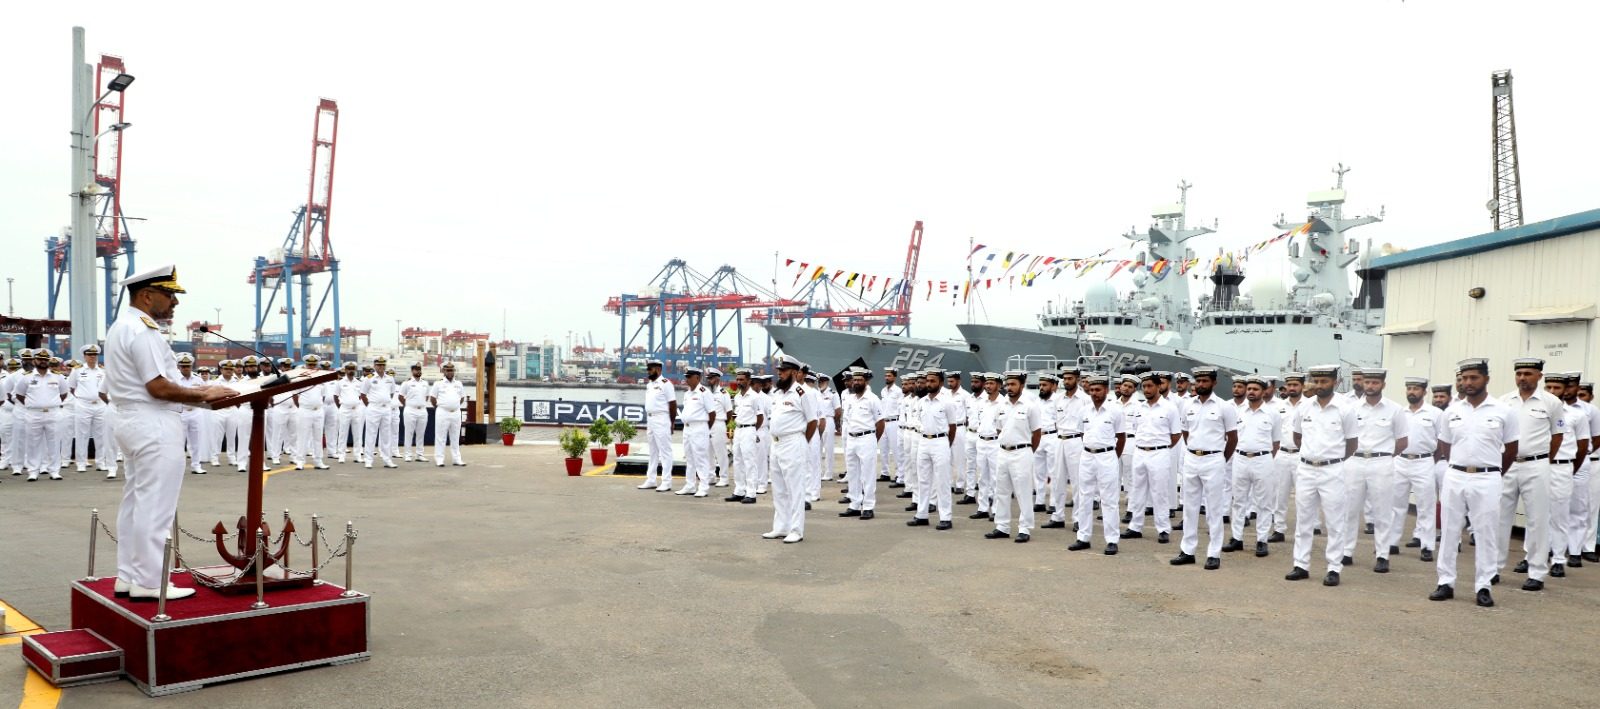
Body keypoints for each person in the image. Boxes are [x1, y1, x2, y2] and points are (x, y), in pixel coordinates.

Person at [105, 265, 236, 601]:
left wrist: (200, 390)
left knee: (135, 501)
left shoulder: (121, 327)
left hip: (132, 421)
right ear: (147, 296)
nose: (175, 303)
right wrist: (203, 395)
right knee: (155, 505)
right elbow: (158, 387)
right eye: (169, 295)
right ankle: (148, 582)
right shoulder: (143, 331)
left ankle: (128, 576)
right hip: (153, 423)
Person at [1430, 358, 1517, 607]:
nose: (1468, 383)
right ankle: (1445, 582)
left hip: (1488, 476)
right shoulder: (1452, 411)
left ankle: (1484, 585)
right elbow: (1445, 445)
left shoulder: (1503, 411)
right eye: (1464, 378)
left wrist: (1493, 473)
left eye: (1474, 378)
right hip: (1455, 474)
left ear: (1486, 379)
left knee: (1486, 532)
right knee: (1449, 531)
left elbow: (1511, 449)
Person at [1285, 364, 1359, 587]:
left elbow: (1352, 444)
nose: (1319, 385)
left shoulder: (1345, 408)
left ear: (1335, 382)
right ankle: (1301, 564)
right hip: (1306, 468)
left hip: (1332, 470)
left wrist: (1331, 460)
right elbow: (1297, 437)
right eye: (1316, 381)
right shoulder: (1304, 407)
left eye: (1324, 381)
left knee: (1335, 521)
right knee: (1304, 519)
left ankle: (1334, 567)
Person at [1498, 357, 1565, 591]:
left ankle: (1536, 571)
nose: (1523, 378)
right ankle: (1493, 568)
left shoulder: (1552, 402)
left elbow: (1558, 435)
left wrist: (1545, 460)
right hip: (1508, 464)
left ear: (1539, 376)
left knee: (1537, 519)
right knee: (1499, 518)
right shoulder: (1503, 401)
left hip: (1536, 465)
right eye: (1519, 373)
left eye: (1528, 373)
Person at [1171, 367, 1239, 570]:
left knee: (1214, 509)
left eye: (1205, 381)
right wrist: (1195, 451)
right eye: (1198, 381)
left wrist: (1220, 459)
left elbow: (1233, 438)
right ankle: (1188, 550)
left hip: (1213, 461)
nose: (1200, 384)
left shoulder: (1224, 407)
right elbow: (1185, 432)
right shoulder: (1187, 405)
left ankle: (1213, 553)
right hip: (1192, 459)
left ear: (1214, 383)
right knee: (1190, 508)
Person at [1342, 368, 1409, 573]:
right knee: (1349, 509)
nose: (1370, 386)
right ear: (1362, 383)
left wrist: (1385, 456)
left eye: (1375, 383)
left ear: (1383, 385)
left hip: (1381, 463)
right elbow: (1344, 437)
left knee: (1382, 511)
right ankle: (1346, 551)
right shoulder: (1351, 408)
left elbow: (1402, 441)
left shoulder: (1395, 409)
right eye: (1367, 382)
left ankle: (1382, 555)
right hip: (1355, 461)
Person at [1389, 376, 1446, 563]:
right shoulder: (1399, 412)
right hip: (1401, 461)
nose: (1412, 392)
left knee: (1426, 505)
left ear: (1424, 392)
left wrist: (1431, 460)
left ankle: (1427, 545)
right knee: (1396, 504)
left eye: (1416, 389)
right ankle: (1392, 542)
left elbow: (1442, 441)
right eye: (1409, 388)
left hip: (1424, 462)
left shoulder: (1435, 413)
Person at [1070, 374, 1127, 554]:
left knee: (1109, 500)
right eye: (1092, 390)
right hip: (1087, 456)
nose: (1094, 393)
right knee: (1084, 497)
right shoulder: (1084, 411)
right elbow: (1081, 433)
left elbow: (1121, 437)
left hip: (1107, 456)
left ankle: (1111, 540)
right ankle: (1083, 537)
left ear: (1106, 390)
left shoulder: (1115, 410)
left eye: (1098, 389)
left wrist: (1112, 457)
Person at [763, 355, 817, 543]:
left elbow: (812, 422)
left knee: (795, 489)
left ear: (794, 372)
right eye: (779, 370)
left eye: (784, 370)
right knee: (778, 488)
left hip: (793, 443)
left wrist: (801, 442)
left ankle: (796, 529)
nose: (780, 373)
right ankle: (781, 526)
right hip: (776, 443)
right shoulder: (778, 394)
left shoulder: (803, 393)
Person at [1225, 375, 1280, 557]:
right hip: (1240, 459)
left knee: (1264, 503)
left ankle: (1261, 540)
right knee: (1238, 501)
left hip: (1263, 460)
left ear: (1264, 392)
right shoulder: (1237, 412)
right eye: (1249, 389)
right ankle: (1236, 538)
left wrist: (1264, 457)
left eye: (1255, 389)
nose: (1251, 392)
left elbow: (1276, 442)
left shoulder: (1272, 413)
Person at [986, 371, 1043, 542]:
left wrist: (1027, 451)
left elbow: (1037, 433)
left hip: (1022, 452)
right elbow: (998, 428)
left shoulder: (1030, 406)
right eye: (1007, 384)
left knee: (1023, 492)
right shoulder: (1001, 406)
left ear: (1021, 385)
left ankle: (1025, 528)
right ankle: (1002, 526)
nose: (1009, 388)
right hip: (1003, 452)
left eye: (1013, 384)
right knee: (1001, 491)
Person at [1125, 372, 1181, 543]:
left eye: (1150, 386)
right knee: (1137, 491)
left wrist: (1162, 447)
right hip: (1140, 451)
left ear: (1158, 386)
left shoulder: (1169, 408)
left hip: (1159, 452)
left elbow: (1176, 434)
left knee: (1159, 492)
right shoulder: (1139, 408)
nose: (1147, 390)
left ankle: (1163, 528)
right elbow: (1135, 429)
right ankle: (1135, 526)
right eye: (1144, 387)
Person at [1546, 372, 1591, 575]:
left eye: (1557, 388)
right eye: (1549, 387)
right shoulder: (1538, 411)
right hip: (1539, 467)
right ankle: (1531, 557)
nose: (1553, 391)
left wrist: (1569, 468)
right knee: (1536, 515)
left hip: (1562, 466)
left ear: (1566, 390)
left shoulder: (1576, 415)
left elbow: (1582, 447)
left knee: (1560, 515)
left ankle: (1557, 559)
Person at [909, 369, 959, 530]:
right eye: (927, 381)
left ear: (940, 383)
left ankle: (946, 517)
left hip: (940, 442)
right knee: (923, 480)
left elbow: (952, 427)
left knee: (942, 481)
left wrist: (945, 444)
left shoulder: (947, 402)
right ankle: (921, 515)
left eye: (932, 381)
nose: (929, 384)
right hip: (924, 441)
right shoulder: (922, 402)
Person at [838, 368, 884, 520]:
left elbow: (880, 423)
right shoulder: (850, 399)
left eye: (859, 380)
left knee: (868, 474)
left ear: (866, 381)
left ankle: (869, 506)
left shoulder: (873, 399)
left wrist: (872, 440)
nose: (856, 383)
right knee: (853, 473)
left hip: (866, 438)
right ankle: (854, 504)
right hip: (852, 439)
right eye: (854, 380)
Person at [15, 349, 68, 480]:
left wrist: (51, 403)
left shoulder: (58, 376)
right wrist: (33, 404)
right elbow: (19, 395)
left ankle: (54, 471)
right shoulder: (27, 377)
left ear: (48, 361)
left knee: (54, 443)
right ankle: (33, 471)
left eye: (45, 360)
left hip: (53, 413)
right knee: (33, 443)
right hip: (33, 414)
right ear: (34, 361)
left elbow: (64, 393)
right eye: (40, 359)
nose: (43, 362)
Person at [67, 344, 113, 476]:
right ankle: (81, 463)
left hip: (100, 404)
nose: (92, 357)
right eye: (89, 355)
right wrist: (83, 399)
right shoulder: (77, 371)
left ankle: (100, 462)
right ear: (85, 356)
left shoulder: (103, 371)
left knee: (101, 434)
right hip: (83, 404)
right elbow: (72, 388)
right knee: (82, 435)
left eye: (94, 355)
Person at [727, 368, 767, 504]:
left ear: (749, 381)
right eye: (737, 379)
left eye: (741, 379)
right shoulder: (737, 397)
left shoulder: (755, 397)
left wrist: (752, 430)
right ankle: (739, 490)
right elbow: (736, 414)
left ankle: (751, 493)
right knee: (737, 461)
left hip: (749, 429)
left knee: (750, 462)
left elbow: (760, 417)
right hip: (738, 430)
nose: (738, 382)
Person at [675, 367, 715, 497]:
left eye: (689, 377)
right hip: (687, 428)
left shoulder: (704, 392)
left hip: (699, 427)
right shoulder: (687, 394)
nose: (686, 379)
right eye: (686, 377)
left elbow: (712, 413)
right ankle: (690, 485)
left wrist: (705, 429)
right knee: (689, 458)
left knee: (701, 458)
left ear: (697, 378)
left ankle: (703, 487)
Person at [638, 360, 677, 491]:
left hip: (662, 419)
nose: (648, 371)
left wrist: (671, 423)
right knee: (653, 451)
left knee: (665, 451)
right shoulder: (650, 384)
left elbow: (673, 404)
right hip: (650, 420)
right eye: (647, 369)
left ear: (659, 369)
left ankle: (666, 481)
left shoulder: (666, 384)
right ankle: (651, 479)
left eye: (650, 369)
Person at [968, 373, 1003, 522]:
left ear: (999, 386)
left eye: (992, 383)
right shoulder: (982, 402)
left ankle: (996, 510)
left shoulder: (1003, 403)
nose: (988, 386)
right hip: (981, 441)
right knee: (982, 477)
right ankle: (982, 508)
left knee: (996, 478)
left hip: (995, 442)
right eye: (987, 383)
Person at [292, 354, 331, 471]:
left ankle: (318, 460)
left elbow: (323, 395)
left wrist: (317, 406)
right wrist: (303, 407)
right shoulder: (300, 378)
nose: (312, 367)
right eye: (309, 365)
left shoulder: (321, 379)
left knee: (318, 437)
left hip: (318, 411)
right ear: (305, 365)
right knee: (302, 437)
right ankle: (300, 461)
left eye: (314, 365)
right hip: (305, 410)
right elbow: (294, 395)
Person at [360, 356, 400, 469]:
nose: (381, 367)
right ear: (374, 366)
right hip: (373, 408)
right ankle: (368, 460)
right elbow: (363, 394)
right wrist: (370, 405)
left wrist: (384, 402)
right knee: (371, 435)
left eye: (383, 365)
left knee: (386, 435)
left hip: (386, 408)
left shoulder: (390, 378)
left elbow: (391, 393)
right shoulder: (369, 378)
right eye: (379, 365)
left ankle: (387, 459)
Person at [1031, 373, 1060, 515]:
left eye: (1045, 385)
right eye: (1040, 385)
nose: (1041, 388)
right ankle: (1040, 501)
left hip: (1053, 437)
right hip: (1039, 438)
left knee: (1054, 472)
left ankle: (1054, 503)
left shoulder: (1058, 401)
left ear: (1053, 386)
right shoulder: (1037, 401)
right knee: (1039, 472)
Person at [429, 362, 467, 466]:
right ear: (444, 371)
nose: (450, 372)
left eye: (452, 370)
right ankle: (439, 459)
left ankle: (456, 459)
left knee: (455, 437)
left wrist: (454, 405)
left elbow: (462, 398)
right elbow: (432, 398)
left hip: (455, 413)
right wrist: (442, 407)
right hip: (443, 412)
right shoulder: (438, 384)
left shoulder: (458, 384)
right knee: (441, 437)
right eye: (448, 370)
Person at [333, 362, 365, 465]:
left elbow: (361, 396)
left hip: (356, 409)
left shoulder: (359, 383)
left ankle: (357, 455)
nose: (351, 371)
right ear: (345, 370)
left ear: (355, 370)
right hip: (345, 409)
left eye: (352, 369)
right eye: (348, 369)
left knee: (357, 433)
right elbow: (335, 396)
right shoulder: (340, 382)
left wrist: (355, 403)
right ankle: (341, 455)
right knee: (342, 433)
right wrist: (342, 407)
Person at [399, 363, 431, 462]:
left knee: (421, 433)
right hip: (410, 410)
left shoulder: (425, 383)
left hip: (422, 410)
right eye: (416, 370)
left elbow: (426, 397)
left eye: (419, 369)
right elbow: (400, 397)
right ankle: (408, 454)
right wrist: (408, 405)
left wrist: (420, 404)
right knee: (409, 433)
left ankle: (419, 454)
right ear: (412, 371)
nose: (418, 371)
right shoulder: (406, 383)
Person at [707, 370, 732, 486]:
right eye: (708, 378)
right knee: (708, 452)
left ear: (717, 379)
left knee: (720, 453)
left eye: (711, 378)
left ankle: (724, 478)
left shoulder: (723, 393)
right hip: (707, 424)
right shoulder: (706, 392)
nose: (709, 381)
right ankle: (710, 476)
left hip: (718, 423)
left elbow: (729, 412)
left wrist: (725, 426)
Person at [877, 368, 902, 483]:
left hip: (894, 422)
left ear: (894, 377)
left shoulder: (898, 391)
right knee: (883, 449)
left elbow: (901, 408)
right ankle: (885, 473)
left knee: (896, 449)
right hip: (884, 422)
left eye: (889, 376)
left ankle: (898, 474)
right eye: (886, 375)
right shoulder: (883, 390)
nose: (887, 378)